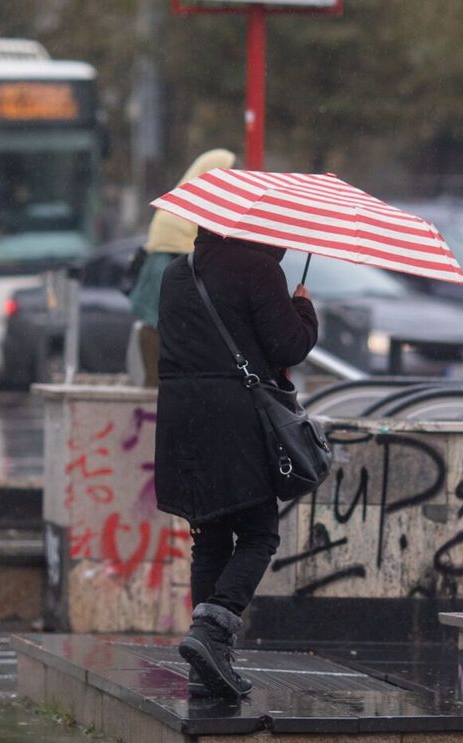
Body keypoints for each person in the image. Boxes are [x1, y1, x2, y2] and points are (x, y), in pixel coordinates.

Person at [154, 227, 318, 698]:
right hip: (235, 422)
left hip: (182, 420)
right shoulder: (259, 268)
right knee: (258, 533)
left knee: (208, 536)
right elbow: (289, 347)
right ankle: (212, 632)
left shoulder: (175, 272)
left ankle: (206, 668)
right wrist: (303, 307)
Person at [126, 149, 236, 387]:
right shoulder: (183, 211)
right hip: (163, 274)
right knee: (158, 332)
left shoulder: (186, 201)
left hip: (162, 280)